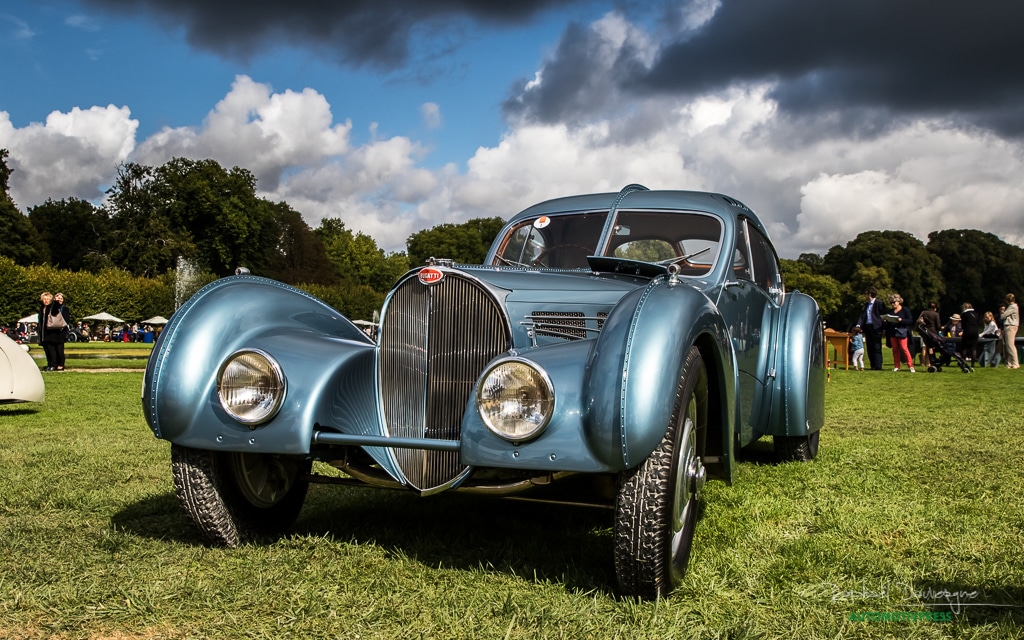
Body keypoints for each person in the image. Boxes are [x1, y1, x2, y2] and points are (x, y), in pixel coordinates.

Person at [38, 291, 71, 371]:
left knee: (54, 350)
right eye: (44, 299)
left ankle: (55, 365)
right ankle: (50, 364)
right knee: (48, 350)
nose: (46, 300)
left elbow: (56, 309)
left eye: (47, 299)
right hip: (44, 333)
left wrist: (56, 301)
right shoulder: (42, 308)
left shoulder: (52, 307)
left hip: (53, 332)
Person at [856, 287, 888, 370]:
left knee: (876, 347)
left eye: (866, 294)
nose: (865, 296)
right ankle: (872, 365)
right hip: (868, 327)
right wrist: (858, 325)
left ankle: (878, 366)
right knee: (869, 347)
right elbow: (863, 316)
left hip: (876, 327)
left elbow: (884, 315)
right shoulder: (867, 304)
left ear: (870, 294)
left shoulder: (879, 303)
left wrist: (884, 328)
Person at [884, 293, 915, 372]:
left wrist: (902, 320)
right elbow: (889, 322)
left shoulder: (905, 310)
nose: (893, 304)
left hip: (902, 331)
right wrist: (886, 320)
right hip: (893, 332)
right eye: (891, 303)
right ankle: (897, 366)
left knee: (904, 348)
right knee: (895, 349)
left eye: (894, 302)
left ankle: (910, 365)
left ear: (899, 301)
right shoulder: (890, 312)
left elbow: (910, 320)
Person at [916, 301, 941, 368]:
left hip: (924, 331)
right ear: (935, 307)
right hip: (933, 332)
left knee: (926, 347)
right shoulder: (936, 314)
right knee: (932, 347)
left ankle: (925, 361)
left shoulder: (924, 313)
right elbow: (938, 325)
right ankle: (931, 361)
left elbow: (918, 321)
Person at [959, 302, 981, 367]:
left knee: (964, 347)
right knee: (973, 348)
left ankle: (963, 363)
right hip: (975, 331)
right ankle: (973, 364)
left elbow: (963, 325)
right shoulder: (976, 314)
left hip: (967, 331)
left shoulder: (964, 314)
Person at [1002, 293, 1019, 369]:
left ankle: (1015, 363)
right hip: (1010, 326)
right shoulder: (1012, 307)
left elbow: (1003, 316)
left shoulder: (1012, 307)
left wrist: (1003, 313)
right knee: (1008, 345)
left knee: (1010, 345)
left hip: (1010, 326)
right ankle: (1010, 363)